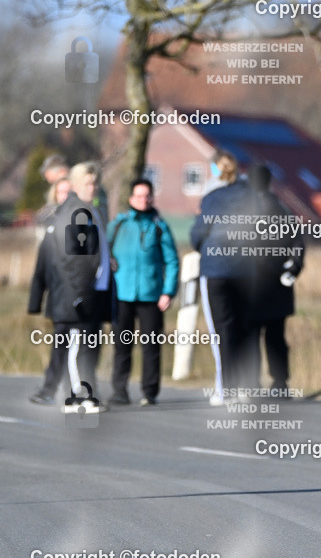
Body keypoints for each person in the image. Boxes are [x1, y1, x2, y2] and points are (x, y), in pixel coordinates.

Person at [28, 163, 113, 407]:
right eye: (88, 183)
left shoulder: (91, 209)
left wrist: (108, 263)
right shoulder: (76, 212)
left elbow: (93, 251)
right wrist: (78, 293)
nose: (93, 187)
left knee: (87, 347)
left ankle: (84, 394)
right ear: (75, 185)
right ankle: (79, 396)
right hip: (77, 294)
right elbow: (71, 260)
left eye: (95, 182)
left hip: (93, 292)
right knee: (75, 348)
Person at [191, 152, 258, 401]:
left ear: (216, 170)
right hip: (246, 271)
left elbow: (198, 234)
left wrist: (205, 247)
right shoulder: (252, 196)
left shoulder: (212, 198)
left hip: (217, 269)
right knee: (243, 328)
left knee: (221, 330)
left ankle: (225, 388)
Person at [108, 179, 179, 406]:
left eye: (147, 195)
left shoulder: (160, 227)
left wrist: (168, 292)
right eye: (139, 195)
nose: (143, 199)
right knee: (121, 346)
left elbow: (172, 261)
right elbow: (101, 251)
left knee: (151, 347)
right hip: (122, 295)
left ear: (152, 198)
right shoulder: (119, 225)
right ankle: (119, 390)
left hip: (151, 296)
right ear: (131, 199)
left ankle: (149, 392)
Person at [247, 165, 303, 393]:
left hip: (251, 284)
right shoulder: (282, 209)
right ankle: (280, 383)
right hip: (278, 283)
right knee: (276, 337)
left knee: (251, 336)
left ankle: (251, 383)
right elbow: (297, 244)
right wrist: (292, 269)